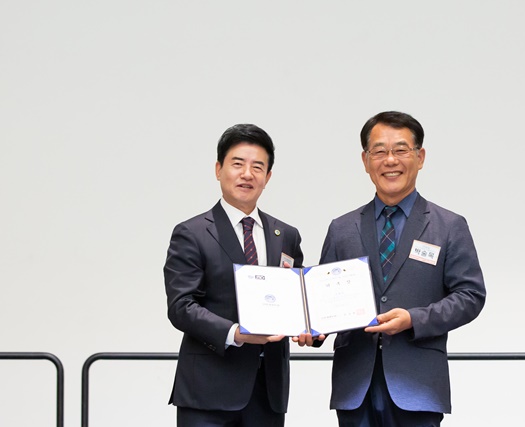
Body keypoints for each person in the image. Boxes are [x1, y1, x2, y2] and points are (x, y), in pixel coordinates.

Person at [299, 111, 486, 426]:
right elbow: (324, 299)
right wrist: (313, 329)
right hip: (355, 386)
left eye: (401, 150)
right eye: (379, 151)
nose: (390, 160)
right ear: (365, 160)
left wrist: (413, 319)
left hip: (418, 385)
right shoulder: (342, 228)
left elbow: (470, 296)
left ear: (420, 157)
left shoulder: (449, 226)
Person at [163, 123, 303, 427]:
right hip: (207, 392)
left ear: (268, 177)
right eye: (237, 164)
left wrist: (310, 326)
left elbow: (297, 299)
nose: (247, 174)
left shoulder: (286, 235)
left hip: (268, 392)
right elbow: (181, 307)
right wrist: (236, 333)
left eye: (258, 167)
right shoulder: (192, 233)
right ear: (218, 170)